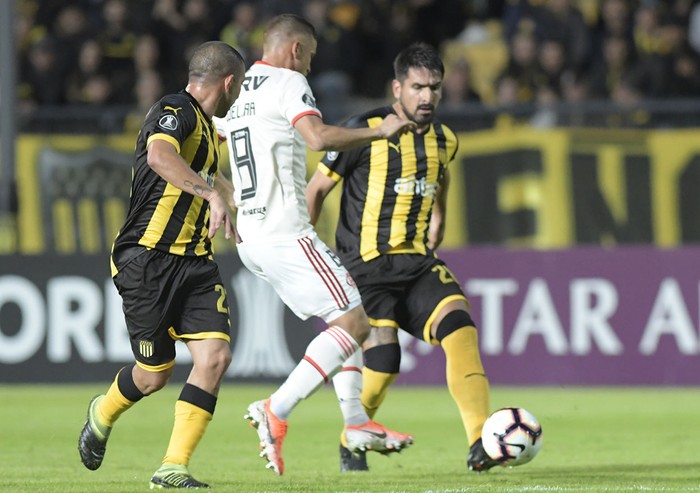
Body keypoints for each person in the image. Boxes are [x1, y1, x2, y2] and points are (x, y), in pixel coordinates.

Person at [213, 13, 415, 476]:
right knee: (356, 322)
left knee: (341, 323)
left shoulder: (239, 93)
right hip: (286, 232)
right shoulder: (288, 82)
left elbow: (204, 151)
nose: (308, 69)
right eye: (310, 59)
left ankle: (357, 423)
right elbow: (318, 138)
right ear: (297, 51)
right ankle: (276, 408)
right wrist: (377, 132)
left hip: (252, 238)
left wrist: (223, 195)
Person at [306, 42, 498, 473]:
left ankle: (480, 440)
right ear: (398, 87)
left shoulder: (446, 140)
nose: (427, 97)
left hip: (417, 263)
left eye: (434, 88)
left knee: (461, 329)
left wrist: (440, 214)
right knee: (385, 364)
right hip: (365, 268)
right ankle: (352, 435)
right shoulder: (363, 129)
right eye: (417, 87)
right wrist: (311, 250)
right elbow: (316, 190)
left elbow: (440, 176)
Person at [77, 41, 246, 489]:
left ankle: (173, 467)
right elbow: (159, 156)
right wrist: (211, 194)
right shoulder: (175, 108)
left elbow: (206, 174)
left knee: (216, 356)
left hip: (194, 262)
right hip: (147, 258)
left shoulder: (208, 130)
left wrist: (228, 198)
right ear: (228, 83)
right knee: (154, 376)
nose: (239, 94)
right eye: (240, 86)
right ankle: (102, 411)